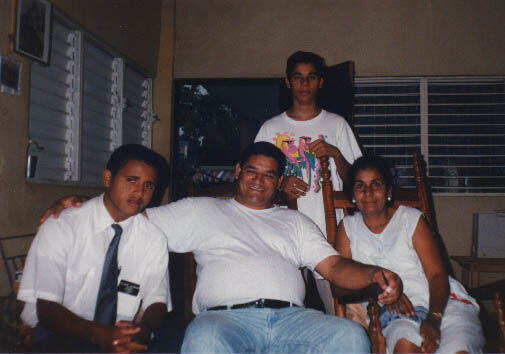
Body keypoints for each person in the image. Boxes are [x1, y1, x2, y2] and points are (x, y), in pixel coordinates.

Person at [42, 142, 403, 353]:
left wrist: (374, 273)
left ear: (279, 182)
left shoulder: (294, 222)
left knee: (350, 337)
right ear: (237, 171)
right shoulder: (202, 210)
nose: (259, 181)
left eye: (269, 175)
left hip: (294, 319)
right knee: (202, 340)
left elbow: (336, 267)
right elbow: (133, 220)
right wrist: (84, 201)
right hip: (224, 320)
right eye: (252, 171)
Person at [18, 144, 172, 353]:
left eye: (149, 185)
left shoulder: (154, 239)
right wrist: (99, 334)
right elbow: (46, 309)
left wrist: (143, 331)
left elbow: (157, 301)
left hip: (119, 335)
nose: (139, 191)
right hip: (60, 332)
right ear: (108, 179)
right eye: (131, 180)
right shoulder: (62, 226)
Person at [335, 155, 484, 353]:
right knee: (405, 346)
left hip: (442, 305)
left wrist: (433, 318)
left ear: (388, 191)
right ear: (352, 194)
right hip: (396, 313)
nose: (368, 192)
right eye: (360, 186)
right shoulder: (348, 228)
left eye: (376, 184)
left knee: (458, 350)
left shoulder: (410, 219)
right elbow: (339, 287)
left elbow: (437, 275)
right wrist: (382, 289)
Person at [255, 51, 362, 314]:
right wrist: (279, 185)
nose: (304, 84)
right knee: (283, 308)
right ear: (288, 82)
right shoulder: (270, 128)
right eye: (298, 78)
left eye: (311, 77)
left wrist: (336, 154)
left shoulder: (337, 125)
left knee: (341, 311)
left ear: (320, 82)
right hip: (282, 231)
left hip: (328, 232)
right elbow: (253, 182)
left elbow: (358, 183)